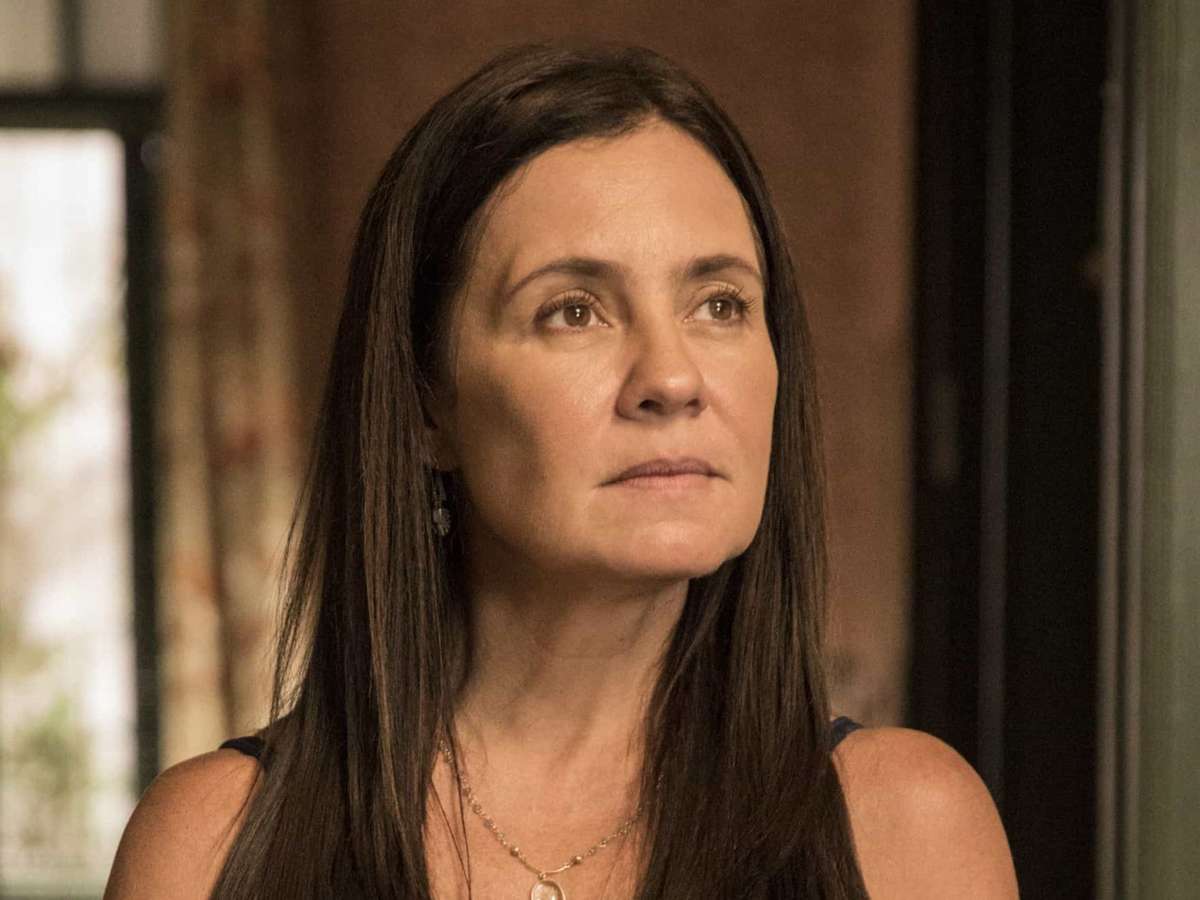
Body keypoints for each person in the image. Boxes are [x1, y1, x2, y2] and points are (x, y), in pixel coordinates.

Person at [104, 42, 1018, 899]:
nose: (672, 378)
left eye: (720, 303)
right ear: (426, 405)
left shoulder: (906, 831)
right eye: (573, 311)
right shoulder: (211, 847)